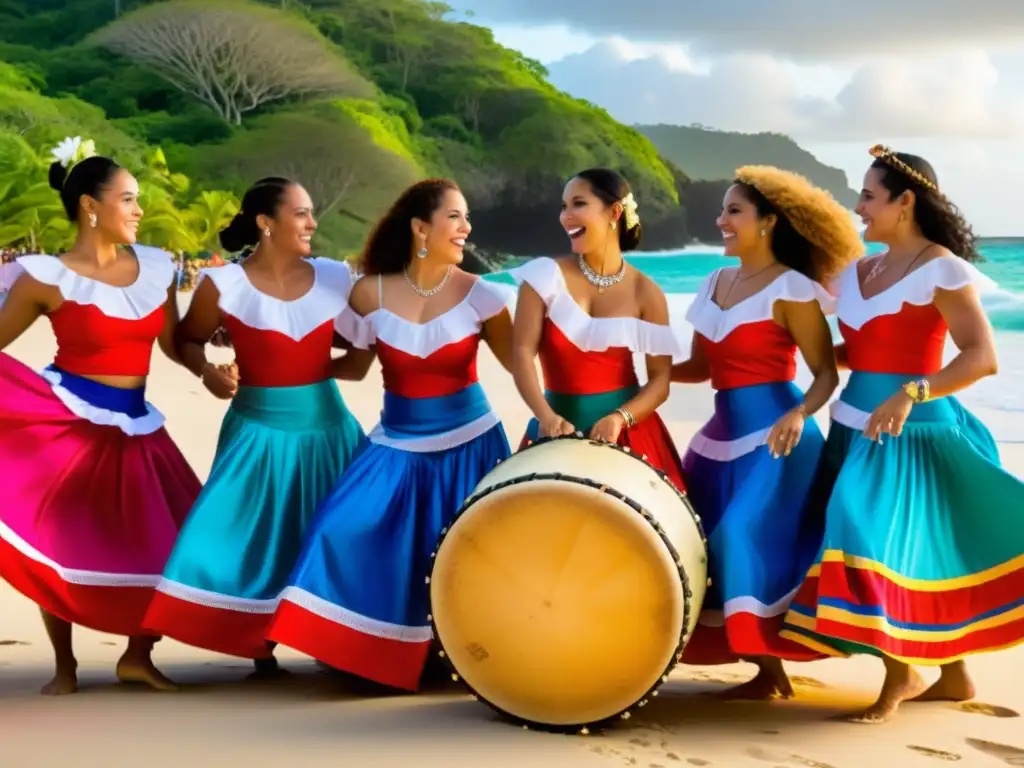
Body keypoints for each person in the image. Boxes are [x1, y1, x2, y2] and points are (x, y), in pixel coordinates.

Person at [780, 146, 1024, 723]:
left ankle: (899, 673)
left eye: (868, 195)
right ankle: (954, 674)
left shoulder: (942, 268)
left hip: (911, 435)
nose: (858, 206)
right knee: (896, 551)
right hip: (850, 429)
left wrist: (910, 392)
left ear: (905, 201)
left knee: (870, 541)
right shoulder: (857, 271)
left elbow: (982, 358)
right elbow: (857, 353)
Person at [267, 178, 514, 691]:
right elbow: (354, 366)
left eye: (467, 218)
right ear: (421, 228)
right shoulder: (368, 291)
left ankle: (450, 657)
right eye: (456, 217)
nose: (467, 228)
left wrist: (560, 411)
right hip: (396, 440)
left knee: (457, 555)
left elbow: (522, 365)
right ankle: (361, 647)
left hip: (470, 443)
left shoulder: (483, 295)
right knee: (341, 527)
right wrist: (280, 368)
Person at [142, 177, 367, 673]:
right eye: (301, 214)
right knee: (233, 537)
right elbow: (187, 340)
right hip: (255, 430)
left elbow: (361, 349)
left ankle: (332, 641)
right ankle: (255, 644)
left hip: (329, 429)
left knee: (336, 536)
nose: (313, 223)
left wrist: (328, 369)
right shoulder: (223, 284)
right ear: (266, 223)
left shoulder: (335, 277)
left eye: (312, 213)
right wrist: (208, 373)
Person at [0, 139, 200, 695]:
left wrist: (210, 373)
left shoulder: (158, 269)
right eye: (128, 199)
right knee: (60, 539)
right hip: (67, 424)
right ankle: (65, 666)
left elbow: (176, 346)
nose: (139, 210)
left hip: (139, 425)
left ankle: (138, 655)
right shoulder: (44, 276)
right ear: (92, 206)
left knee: (167, 538)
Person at [671, 166, 862, 698]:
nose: (722, 220)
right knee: (700, 542)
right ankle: (767, 674)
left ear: (768, 222)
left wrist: (801, 413)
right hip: (718, 439)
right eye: (724, 210)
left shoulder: (793, 288)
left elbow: (824, 372)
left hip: (778, 439)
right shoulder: (713, 283)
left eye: (735, 211)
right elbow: (700, 368)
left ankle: (777, 657)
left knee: (739, 536)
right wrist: (639, 371)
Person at [510, 168, 685, 488]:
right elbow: (521, 354)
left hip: (629, 436)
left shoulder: (647, 293)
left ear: (614, 212)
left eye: (578, 204)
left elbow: (660, 381)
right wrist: (545, 416)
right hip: (555, 432)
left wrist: (620, 418)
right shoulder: (542, 278)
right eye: (563, 207)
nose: (566, 217)